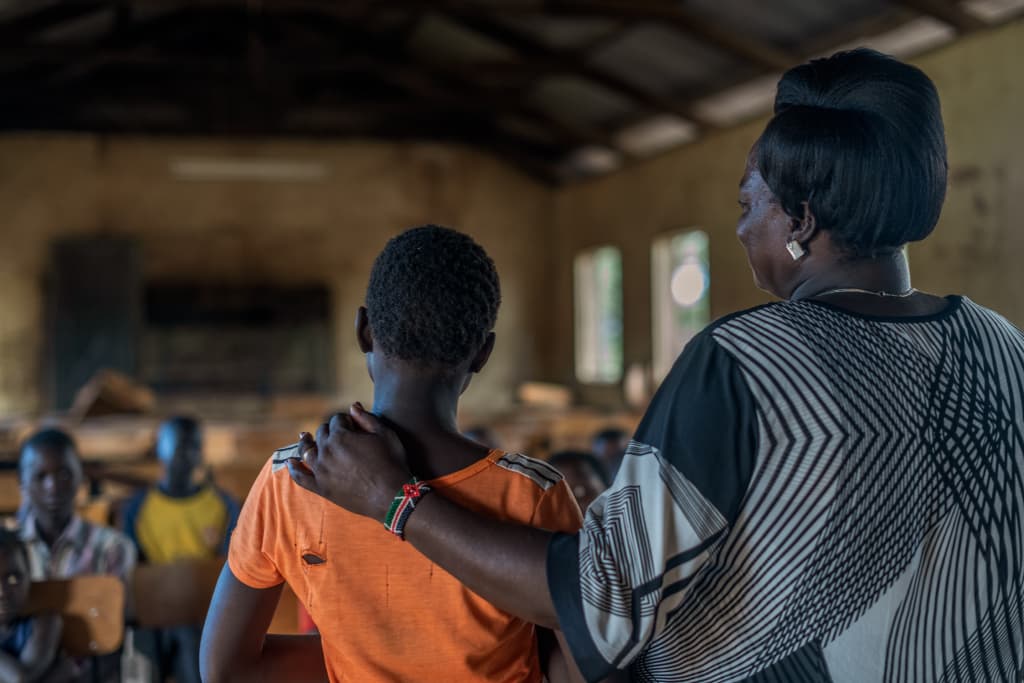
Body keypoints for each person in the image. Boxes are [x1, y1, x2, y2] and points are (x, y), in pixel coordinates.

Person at [287, 49, 1024, 682]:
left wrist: (394, 498)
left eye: (750, 204)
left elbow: (604, 605)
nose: (741, 228)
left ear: (801, 220)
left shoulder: (745, 364)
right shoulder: (1001, 347)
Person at [201, 226, 583, 683]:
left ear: (364, 330)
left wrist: (350, 658)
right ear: (483, 353)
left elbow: (225, 668)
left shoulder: (294, 477)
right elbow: (582, 662)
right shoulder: (534, 493)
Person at [123, 416, 239, 683]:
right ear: (160, 451)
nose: (188, 454)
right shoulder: (138, 508)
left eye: (195, 446)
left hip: (205, 613)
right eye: (179, 446)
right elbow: (135, 571)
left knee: (190, 636)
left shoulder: (222, 505)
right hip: (153, 614)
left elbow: (228, 566)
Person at [18, 429, 136, 682]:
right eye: (40, 476)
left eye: (64, 474)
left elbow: (118, 637)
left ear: (80, 478)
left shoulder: (113, 548)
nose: (53, 486)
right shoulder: (7, 551)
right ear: (23, 484)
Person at [0, 528, 71, 683]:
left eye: (13, 578)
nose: (2, 593)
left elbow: (20, 679)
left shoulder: (45, 623)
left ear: (29, 577)